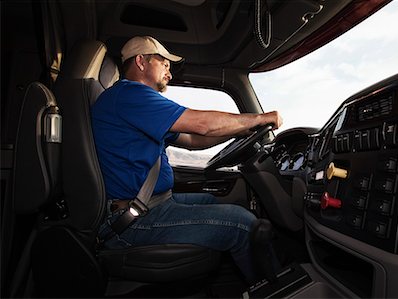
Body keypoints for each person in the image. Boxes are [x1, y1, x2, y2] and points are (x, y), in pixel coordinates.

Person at [91, 36, 282, 283]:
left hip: (152, 203)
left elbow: (193, 141)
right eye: (164, 63)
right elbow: (202, 125)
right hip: (132, 220)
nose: (169, 72)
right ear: (140, 62)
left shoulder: (136, 106)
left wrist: (238, 130)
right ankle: (274, 287)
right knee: (244, 224)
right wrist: (258, 118)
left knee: (210, 199)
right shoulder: (130, 95)